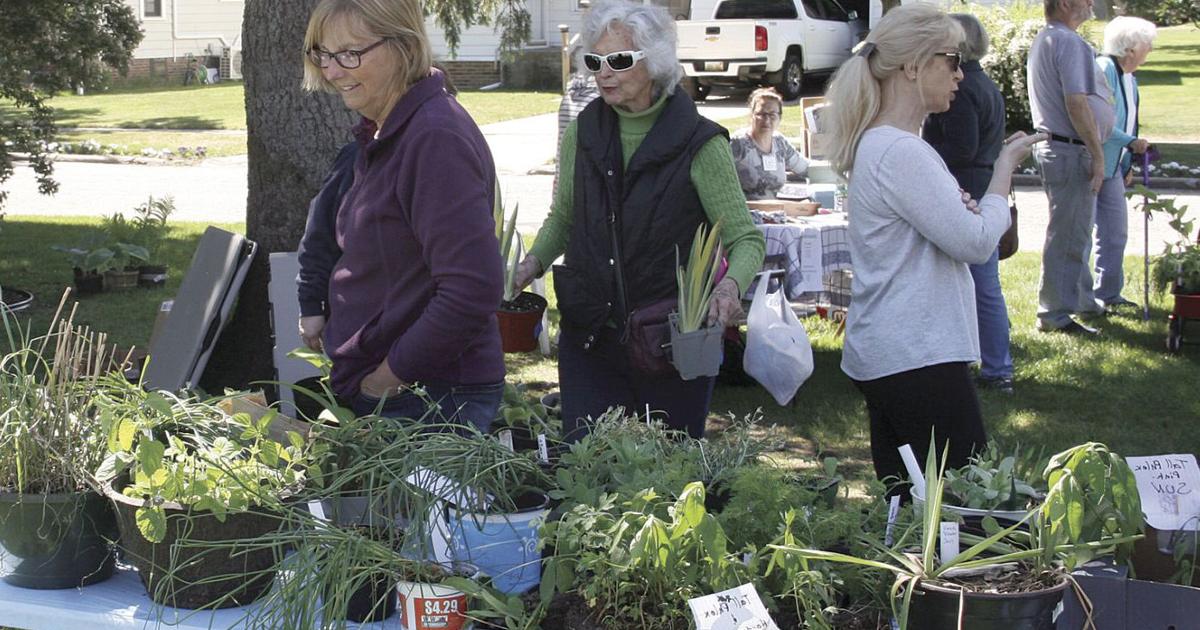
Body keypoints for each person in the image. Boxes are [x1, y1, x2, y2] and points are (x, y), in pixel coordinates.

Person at [511, 0, 764, 440]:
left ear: (657, 61)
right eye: (595, 61)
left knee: (667, 483)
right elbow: (563, 218)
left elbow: (746, 239)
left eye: (619, 60)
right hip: (591, 338)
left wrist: (729, 287)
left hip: (670, 341)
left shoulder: (700, 143)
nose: (603, 72)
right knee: (587, 473)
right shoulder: (583, 132)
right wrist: (530, 266)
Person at [825, 3, 1044, 496]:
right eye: (951, 59)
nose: (960, 74)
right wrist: (1003, 168)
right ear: (913, 66)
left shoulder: (885, 145)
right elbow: (976, 242)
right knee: (967, 505)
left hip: (895, 351)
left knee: (909, 506)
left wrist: (962, 206)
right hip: (915, 355)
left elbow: (949, 228)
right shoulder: (900, 150)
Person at [302, 0, 505, 430]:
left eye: (350, 54)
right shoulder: (387, 130)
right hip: (403, 391)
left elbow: (472, 289)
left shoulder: (433, 137)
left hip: (430, 396)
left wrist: (385, 381)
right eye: (323, 54)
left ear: (403, 46)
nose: (333, 72)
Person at [922, 14, 1014, 394]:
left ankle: (995, 367)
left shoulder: (961, 89)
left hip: (968, 188)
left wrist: (921, 152)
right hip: (981, 182)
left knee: (981, 283)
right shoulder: (984, 81)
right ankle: (994, 363)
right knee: (983, 283)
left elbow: (963, 147)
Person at [1027, 0, 1115, 335]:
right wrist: (1097, 153)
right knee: (1068, 234)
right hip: (1070, 149)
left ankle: (1080, 299)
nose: (1092, 3)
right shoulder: (1067, 41)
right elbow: (1076, 102)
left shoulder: (1049, 38)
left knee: (1075, 228)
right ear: (1065, 3)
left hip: (1062, 148)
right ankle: (1055, 314)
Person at [1091, 16, 1157, 311]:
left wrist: (1128, 161)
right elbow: (1099, 121)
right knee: (1083, 234)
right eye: (1147, 44)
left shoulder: (1131, 78)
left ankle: (1108, 292)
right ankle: (1082, 298)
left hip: (1114, 166)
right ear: (1130, 48)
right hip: (1092, 162)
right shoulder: (1105, 68)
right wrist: (1129, 142)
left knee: (1115, 232)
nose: (1150, 50)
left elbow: (1131, 122)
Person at [730, 87, 809, 200]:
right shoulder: (737, 144)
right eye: (761, 114)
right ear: (752, 115)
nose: (766, 120)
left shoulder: (780, 142)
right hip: (746, 212)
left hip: (777, 210)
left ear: (779, 118)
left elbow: (805, 168)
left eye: (772, 115)